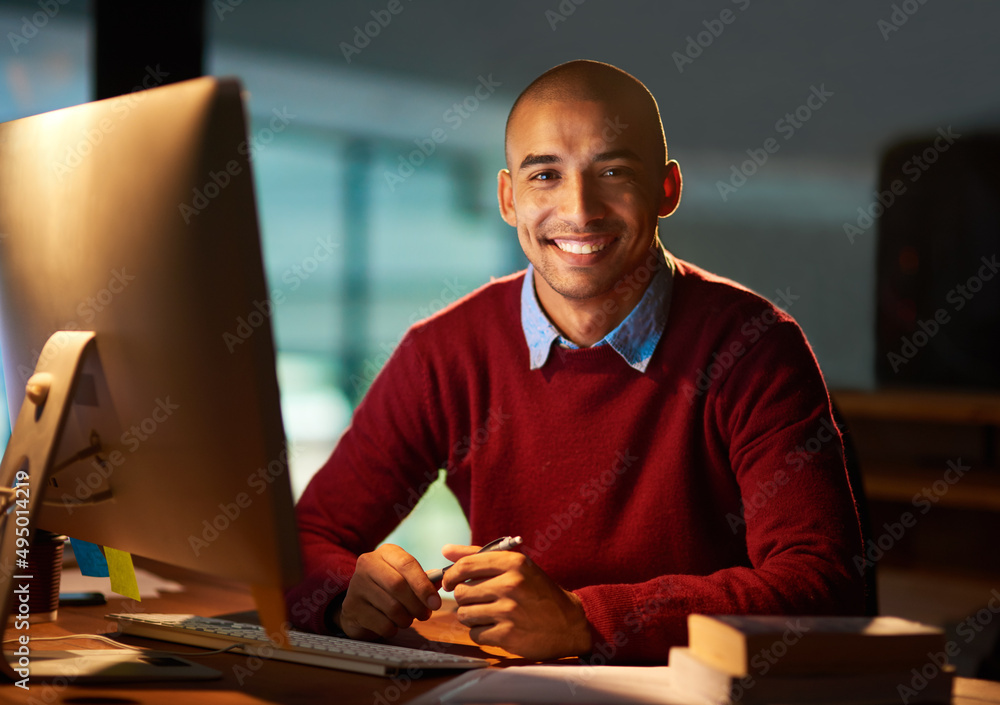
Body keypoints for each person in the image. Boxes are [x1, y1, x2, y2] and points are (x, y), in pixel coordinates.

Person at [286, 59, 865, 663]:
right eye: (545, 176)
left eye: (613, 171)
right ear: (509, 198)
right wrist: (341, 596)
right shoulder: (443, 352)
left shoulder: (756, 347)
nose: (580, 209)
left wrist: (584, 621)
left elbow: (824, 587)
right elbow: (304, 539)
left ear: (666, 190)